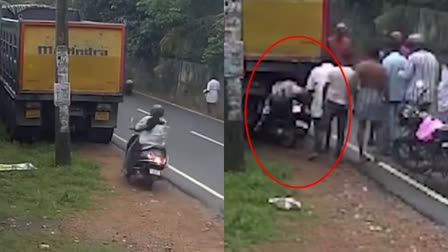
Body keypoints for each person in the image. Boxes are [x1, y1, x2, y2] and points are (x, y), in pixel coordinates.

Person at [354, 48, 388, 160]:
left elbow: (355, 82)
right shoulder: (382, 69)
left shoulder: (361, 66)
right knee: (378, 126)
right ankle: (377, 154)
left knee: (361, 125)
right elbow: (385, 86)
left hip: (363, 95)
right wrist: (386, 97)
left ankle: (360, 152)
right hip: (377, 96)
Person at [399, 34, 440, 113]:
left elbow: (407, 75)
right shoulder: (432, 57)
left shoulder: (414, 57)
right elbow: (436, 75)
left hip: (415, 94)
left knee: (412, 118)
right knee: (424, 117)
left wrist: (399, 72)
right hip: (429, 94)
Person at [324, 64, 358, 158]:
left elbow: (326, 85)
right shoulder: (353, 74)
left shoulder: (332, 71)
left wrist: (324, 100)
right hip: (344, 104)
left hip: (331, 101)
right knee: (341, 129)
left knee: (327, 124)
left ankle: (326, 144)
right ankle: (338, 150)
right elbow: (355, 90)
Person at [382, 34, 408, 152]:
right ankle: (398, 145)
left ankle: (389, 145)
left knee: (389, 121)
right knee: (398, 121)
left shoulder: (387, 61)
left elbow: (384, 78)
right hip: (401, 94)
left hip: (389, 94)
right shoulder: (404, 60)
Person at [125, 104, 168, 176]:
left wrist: (135, 128)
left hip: (144, 142)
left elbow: (138, 127)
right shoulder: (164, 122)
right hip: (159, 145)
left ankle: (129, 168)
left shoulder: (147, 119)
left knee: (132, 151)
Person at [306, 58, 334, 160]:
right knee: (328, 123)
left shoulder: (316, 71)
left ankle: (317, 147)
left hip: (318, 99)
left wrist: (307, 103)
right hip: (331, 101)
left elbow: (309, 88)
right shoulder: (335, 71)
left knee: (317, 124)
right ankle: (327, 144)